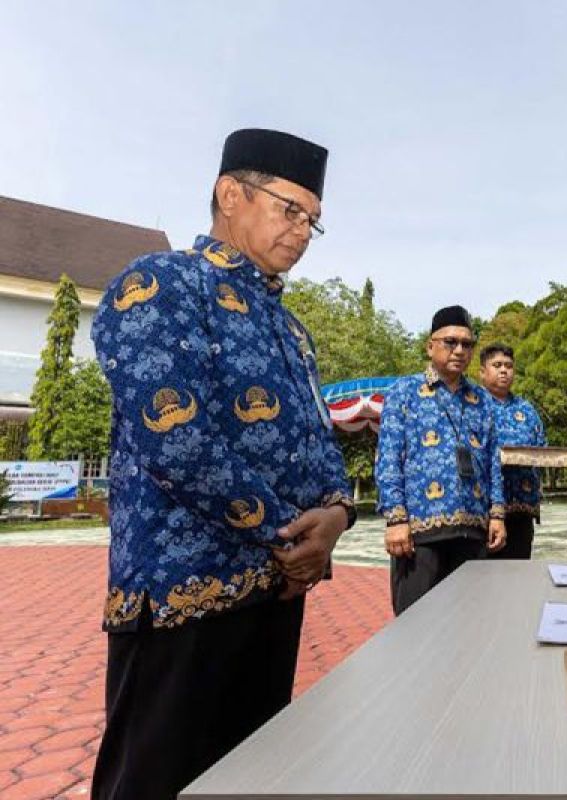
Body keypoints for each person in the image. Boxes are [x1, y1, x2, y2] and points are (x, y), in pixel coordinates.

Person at [89, 128, 355, 800]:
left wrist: (337, 516)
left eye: (313, 222)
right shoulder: (158, 284)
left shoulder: (291, 327)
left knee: (255, 779)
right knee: (155, 781)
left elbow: (322, 444)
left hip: (275, 594)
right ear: (229, 194)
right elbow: (175, 441)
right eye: (290, 210)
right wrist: (287, 536)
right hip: (183, 600)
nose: (301, 231)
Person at [376, 306, 506, 615]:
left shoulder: (482, 399)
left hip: (473, 530)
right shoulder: (404, 392)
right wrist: (396, 519)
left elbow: (492, 460)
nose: (459, 350)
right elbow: (388, 457)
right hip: (420, 532)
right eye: (450, 342)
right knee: (415, 627)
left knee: (470, 625)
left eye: (467, 344)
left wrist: (497, 514)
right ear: (430, 345)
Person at [479, 343, 546, 559]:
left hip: (522, 511)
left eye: (508, 366)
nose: (503, 370)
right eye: (496, 365)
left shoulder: (527, 409)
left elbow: (542, 449)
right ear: (482, 372)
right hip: (483, 512)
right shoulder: (473, 406)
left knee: (517, 579)